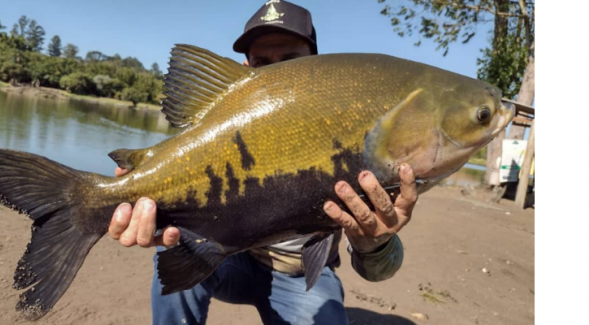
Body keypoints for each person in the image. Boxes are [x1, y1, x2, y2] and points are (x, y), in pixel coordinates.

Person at [108, 1, 418, 324]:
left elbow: (379, 270)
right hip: (232, 260)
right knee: (174, 245)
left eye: (289, 61)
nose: (276, 74)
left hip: (301, 277)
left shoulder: (355, 133)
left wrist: (376, 243)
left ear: (316, 66)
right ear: (245, 70)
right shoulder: (221, 131)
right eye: (262, 63)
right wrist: (139, 201)